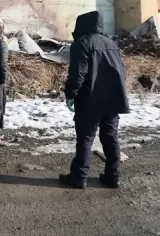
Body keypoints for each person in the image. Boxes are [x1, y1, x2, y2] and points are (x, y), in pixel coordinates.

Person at [60, 11, 129, 189]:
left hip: (90, 101)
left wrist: (70, 94)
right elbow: (122, 72)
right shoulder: (112, 44)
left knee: (85, 138)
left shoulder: (82, 44)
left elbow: (78, 73)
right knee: (110, 137)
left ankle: (79, 177)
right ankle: (113, 176)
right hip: (113, 100)